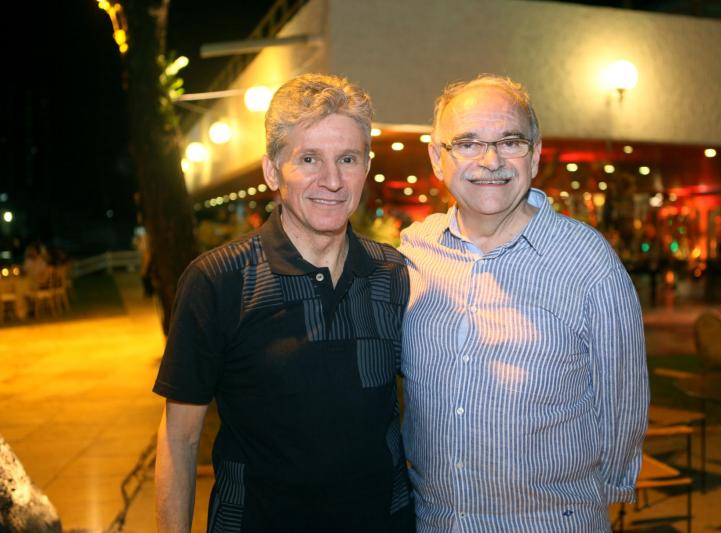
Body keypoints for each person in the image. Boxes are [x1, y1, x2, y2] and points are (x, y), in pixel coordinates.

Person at [153, 74, 415, 532]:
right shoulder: (219, 280)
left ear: (365, 167)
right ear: (272, 171)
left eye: (348, 159)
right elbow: (180, 438)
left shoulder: (393, 274)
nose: (332, 180)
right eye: (309, 159)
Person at [399, 74, 649, 531]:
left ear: (534, 155)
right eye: (468, 143)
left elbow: (623, 405)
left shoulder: (587, 261)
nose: (490, 160)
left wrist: (593, 499)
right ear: (437, 158)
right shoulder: (415, 250)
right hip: (435, 521)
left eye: (510, 142)